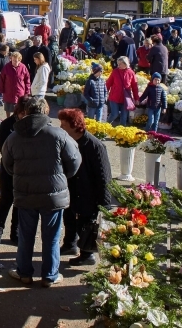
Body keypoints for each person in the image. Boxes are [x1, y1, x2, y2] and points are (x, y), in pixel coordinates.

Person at [2, 97, 81, 287]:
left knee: (26, 235)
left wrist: (21, 175)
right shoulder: (58, 135)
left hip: (25, 192)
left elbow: (8, 164)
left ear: (27, 112)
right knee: (52, 237)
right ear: (46, 112)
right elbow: (74, 161)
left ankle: (24, 273)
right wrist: (63, 176)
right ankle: (50, 275)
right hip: (53, 194)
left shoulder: (14, 136)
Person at [58, 108, 112, 266]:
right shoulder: (67, 142)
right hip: (72, 189)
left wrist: (105, 203)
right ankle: (70, 245)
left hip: (88, 193)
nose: (61, 128)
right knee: (69, 218)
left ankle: (87, 254)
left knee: (86, 223)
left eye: (64, 125)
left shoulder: (95, 146)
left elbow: (104, 176)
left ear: (74, 126)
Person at [0, 96, 28, 246]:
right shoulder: (7, 125)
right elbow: (3, 148)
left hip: (24, 171)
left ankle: (16, 232)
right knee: (6, 200)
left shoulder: (29, 125)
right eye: (23, 113)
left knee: (19, 202)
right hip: (8, 168)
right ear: (18, 111)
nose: (25, 116)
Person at [106, 56, 140, 126]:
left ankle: (121, 133)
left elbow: (134, 87)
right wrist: (105, 93)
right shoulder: (115, 72)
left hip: (126, 98)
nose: (118, 65)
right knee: (114, 114)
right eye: (118, 64)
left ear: (126, 64)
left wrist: (136, 99)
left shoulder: (131, 73)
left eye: (120, 64)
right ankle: (105, 126)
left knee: (124, 117)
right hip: (114, 97)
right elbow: (108, 83)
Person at [0, 52, 30, 118]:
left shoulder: (23, 67)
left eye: (16, 61)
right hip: (8, 91)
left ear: (19, 60)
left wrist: (27, 92)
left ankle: (17, 121)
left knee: (18, 109)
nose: (15, 62)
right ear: (11, 59)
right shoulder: (6, 67)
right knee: (8, 108)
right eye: (13, 60)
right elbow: (2, 79)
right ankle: (8, 120)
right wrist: (1, 89)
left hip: (19, 92)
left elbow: (27, 81)